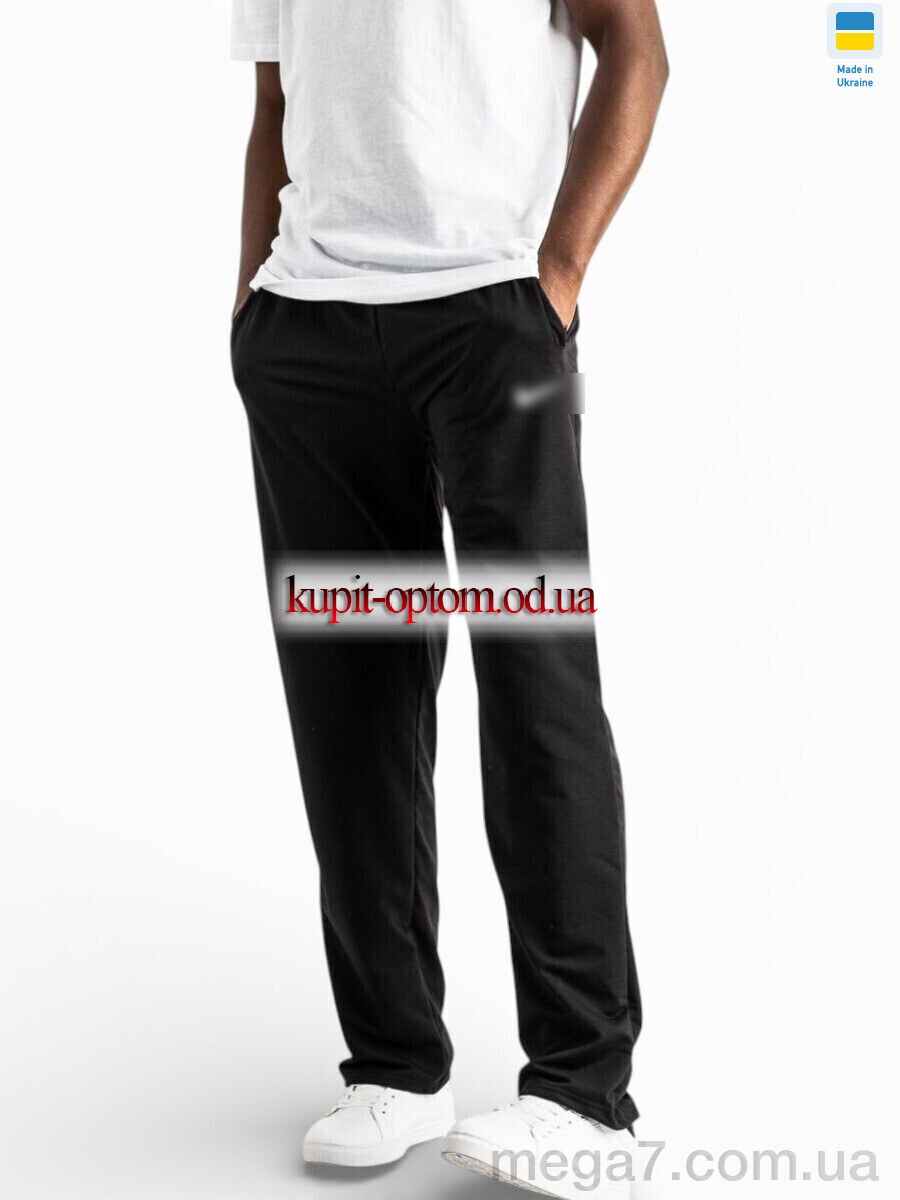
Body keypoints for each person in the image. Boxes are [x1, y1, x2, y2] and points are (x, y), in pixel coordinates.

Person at [229, 0, 667, 1193]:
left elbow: (636, 49)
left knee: (537, 689)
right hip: (310, 337)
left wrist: (556, 278)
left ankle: (582, 1093)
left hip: (493, 323)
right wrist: (251, 309)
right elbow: (274, 99)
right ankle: (396, 1063)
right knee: (352, 705)